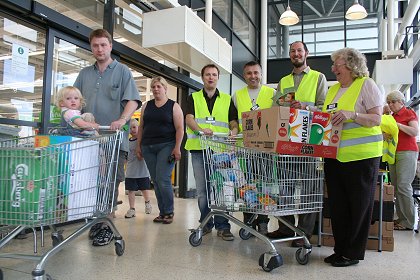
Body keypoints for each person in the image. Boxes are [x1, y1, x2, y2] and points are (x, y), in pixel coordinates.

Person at [74, 28, 141, 246]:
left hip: (113, 141)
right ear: (91, 47)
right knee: (91, 183)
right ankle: (98, 219)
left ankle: (107, 224)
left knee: (109, 183)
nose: (99, 49)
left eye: (103, 45)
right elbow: (73, 100)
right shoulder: (84, 74)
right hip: (88, 141)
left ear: (110, 46)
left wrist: (122, 119)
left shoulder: (122, 71)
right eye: (95, 45)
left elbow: (132, 100)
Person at [322, 47, 383, 267]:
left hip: (361, 157)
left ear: (351, 65)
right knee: (338, 205)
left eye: (337, 65)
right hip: (334, 156)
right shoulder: (333, 89)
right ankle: (340, 249)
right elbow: (327, 116)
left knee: (358, 205)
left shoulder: (366, 84)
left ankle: (352, 253)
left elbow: (377, 119)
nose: (333, 68)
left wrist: (353, 115)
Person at [266, 41, 327, 248]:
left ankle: (304, 233)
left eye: (299, 50)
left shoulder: (318, 77)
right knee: (285, 189)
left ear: (306, 54)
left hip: (310, 142)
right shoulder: (283, 81)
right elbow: (275, 106)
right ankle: (285, 227)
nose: (295, 54)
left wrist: (305, 107)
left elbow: (324, 108)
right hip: (287, 142)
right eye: (292, 51)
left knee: (310, 190)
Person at [185, 64, 239, 241]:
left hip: (220, 150)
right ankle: (205, 223)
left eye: (214, 75)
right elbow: (189, 118)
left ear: (218, 78)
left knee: (222, 188)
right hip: (199, 148)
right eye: (207, 74)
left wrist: (234, 131)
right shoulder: (192, 97)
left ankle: (223, 226)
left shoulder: (227, 99)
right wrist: (201, 129)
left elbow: (233, 121)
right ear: (202, 77)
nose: (211, 77)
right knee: (203, 190)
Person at [232, 61, 275, 235]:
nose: (253, 76)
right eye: (249, 73)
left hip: (266, 150)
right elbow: (233, 119)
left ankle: (263, 221)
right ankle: (248, 222)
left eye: (256, 72)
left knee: (265, 187)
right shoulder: (237, 95)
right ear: (244, 76)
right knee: (247, 186)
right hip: (245, 150)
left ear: (261, 74)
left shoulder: (272, 93)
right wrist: (234, 128)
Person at [136, 76, 183, 225]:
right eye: (154, 87)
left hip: (167, 145)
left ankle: (169, 211)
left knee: (163, 179)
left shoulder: (173, 106)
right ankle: (162, 212)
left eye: (159, 87)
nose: (156, 89)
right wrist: (138, 145)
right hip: (148, 146)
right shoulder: (146, 106)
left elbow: (180, 128)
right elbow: (141, 127)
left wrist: (177, 147)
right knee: (155, 180)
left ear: (165, 88)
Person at [386, 90, 418, 231]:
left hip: (407, 152)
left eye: (393, 102)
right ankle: (401, 218)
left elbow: (414, 132)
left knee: (404, 186)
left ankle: (409, 222)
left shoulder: (409, 113)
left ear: (401, 102)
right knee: (396, 186)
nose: (391, 105)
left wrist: (398, 126)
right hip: (394, 152)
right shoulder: (391, 117)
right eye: (389, 102)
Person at [124, 118, 152, 218]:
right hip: (131, 170)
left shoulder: (142, 141)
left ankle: (147, 203)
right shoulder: (126, 142)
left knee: (144, 188)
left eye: (134, 127)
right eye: (130, 128)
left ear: (139, 128)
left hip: (142, 170)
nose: (132, 130)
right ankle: (132, 209)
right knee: (131, 190)